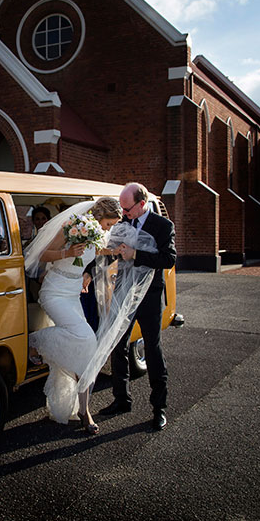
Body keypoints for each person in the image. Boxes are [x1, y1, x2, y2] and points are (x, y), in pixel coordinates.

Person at [26, 197, 125, 434]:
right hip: (54, 292)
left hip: (73, 294)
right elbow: (42, 254)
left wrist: (114, 251)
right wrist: (67, 252)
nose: (108, 229)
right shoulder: (72, 225)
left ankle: (84, 409)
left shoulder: (94, 231)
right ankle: (33, 341)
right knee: (86, 338)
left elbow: (94, 250)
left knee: (86, 351)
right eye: (108, 224)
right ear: (100, 217)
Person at [99, 182, 177, 431]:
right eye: (121, 208)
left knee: (152, 349)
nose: (123, 213)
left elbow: (169, 259)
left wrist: (136, 255)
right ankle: (121, 400)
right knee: (117, 344)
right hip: (124, 292)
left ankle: (159, 409)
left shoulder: (163, 226)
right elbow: (112, 253)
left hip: (150, 296)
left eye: (127, 208)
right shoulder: (123, 224)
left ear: (142, 204)